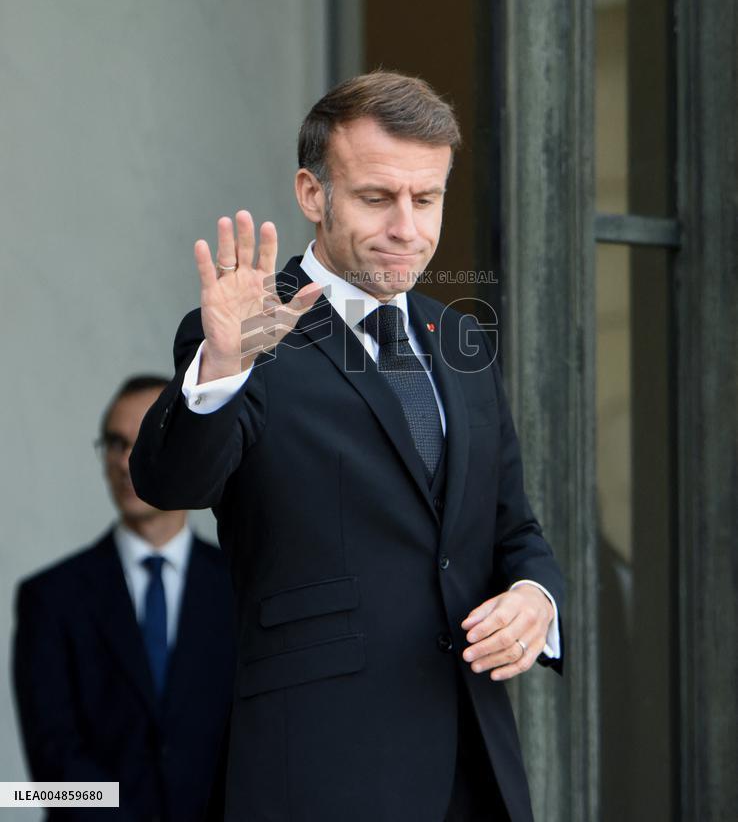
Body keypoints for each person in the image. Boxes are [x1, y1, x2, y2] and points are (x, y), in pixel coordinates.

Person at [130, 72, 565, 822]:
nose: (407, 227)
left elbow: (510, 529)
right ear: (311, 193)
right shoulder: (249, 333)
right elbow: (171, 482)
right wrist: (224, 367)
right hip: (319, 773)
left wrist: (537, 599)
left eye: (425, 199)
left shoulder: (460, 336)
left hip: (476, 769)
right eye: (376, 197)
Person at [12, 375, 236, 822]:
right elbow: (52, 766)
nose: (124, 460)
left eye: (143, 439)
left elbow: (259, 741)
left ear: (182, 450)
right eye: (114, 443)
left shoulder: (240, 587)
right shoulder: (50, 598)